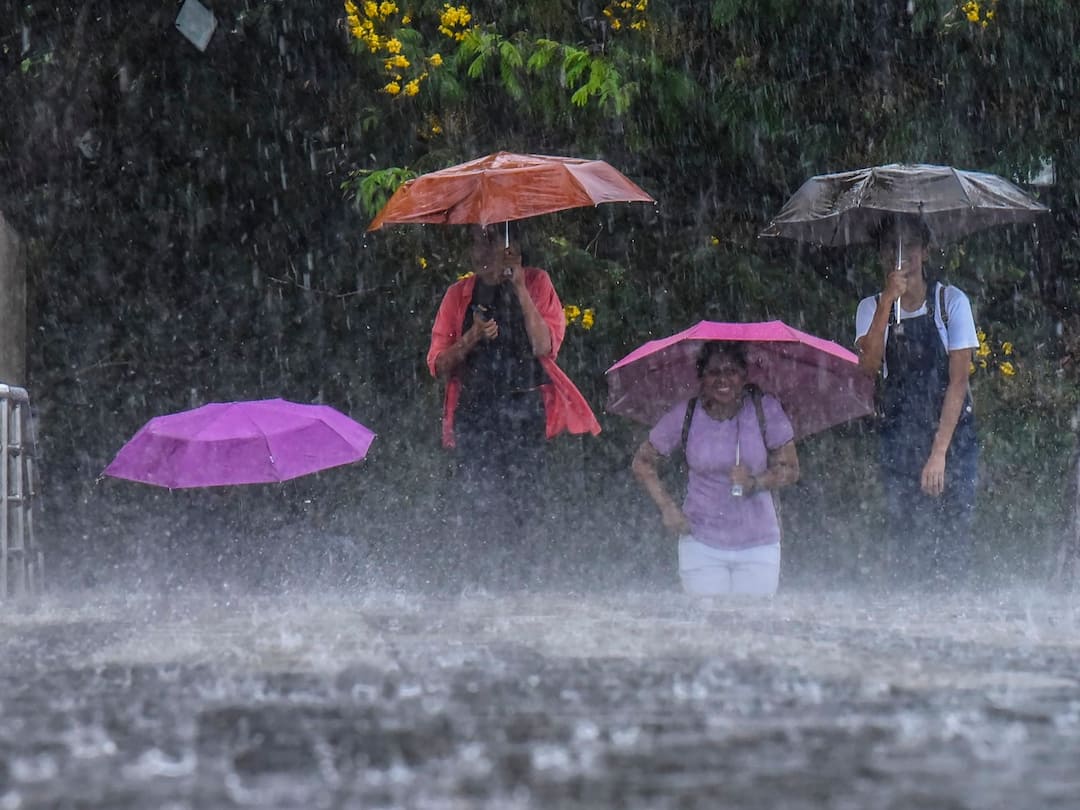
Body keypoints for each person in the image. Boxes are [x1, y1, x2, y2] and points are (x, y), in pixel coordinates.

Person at [426, 224, 600, 567]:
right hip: (475, 412)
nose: (481, 251)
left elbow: (544, 346)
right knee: (477, 501)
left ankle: (522, 576)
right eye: (476, 243)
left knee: (525, 502)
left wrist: (519, 286)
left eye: (490, 241)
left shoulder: (537, 282)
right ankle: (479, 575)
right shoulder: (458, 294)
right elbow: (438, 363)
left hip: (523, 409)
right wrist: (472, 337)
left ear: (512, 245)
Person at [855, 216, 979, 585]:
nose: (902, 253)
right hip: (899, 436)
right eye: (892, 245)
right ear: (882, 254)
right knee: (906, 536)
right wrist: (887, 303)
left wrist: (939, 453)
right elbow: (868, 367)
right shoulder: (870, 307)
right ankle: (907, 607)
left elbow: (958, 382)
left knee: (953, 537)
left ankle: (953, 606)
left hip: (953, 438)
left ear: (925, 251)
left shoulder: (950, 302)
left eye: (910, 244)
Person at [632, 341, 799, 596]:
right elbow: (642, 462)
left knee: (754, 620)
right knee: (706, 619)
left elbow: (791, 469)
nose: (723, 379)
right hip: (700, 541)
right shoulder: (686, 414)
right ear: (701, 377)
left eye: (731, 371)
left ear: (744, 375)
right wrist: (667, 508)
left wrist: (755, 482)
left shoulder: (764, 409)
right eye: (714, 372)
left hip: (759, 543)